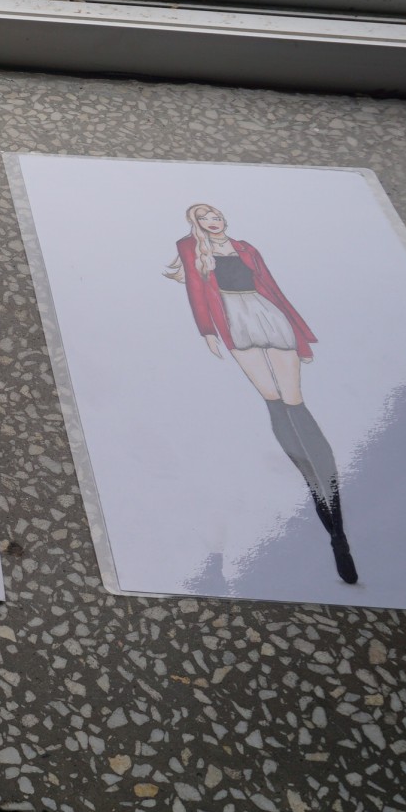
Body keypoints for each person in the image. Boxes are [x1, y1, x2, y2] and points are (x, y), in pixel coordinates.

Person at [164, 202, 356, 583]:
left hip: (267, 313)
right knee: (274, 403)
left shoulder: (247, 247)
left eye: (215, 215)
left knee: (295, 403)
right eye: (204, 218)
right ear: (195, 224)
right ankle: (320, 502)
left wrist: (301, 334)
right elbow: (196, 290)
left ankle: (335, 514)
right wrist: (206, 330)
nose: (212, 221)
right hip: (232, 319)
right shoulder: (191, 248)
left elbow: (274, 289)